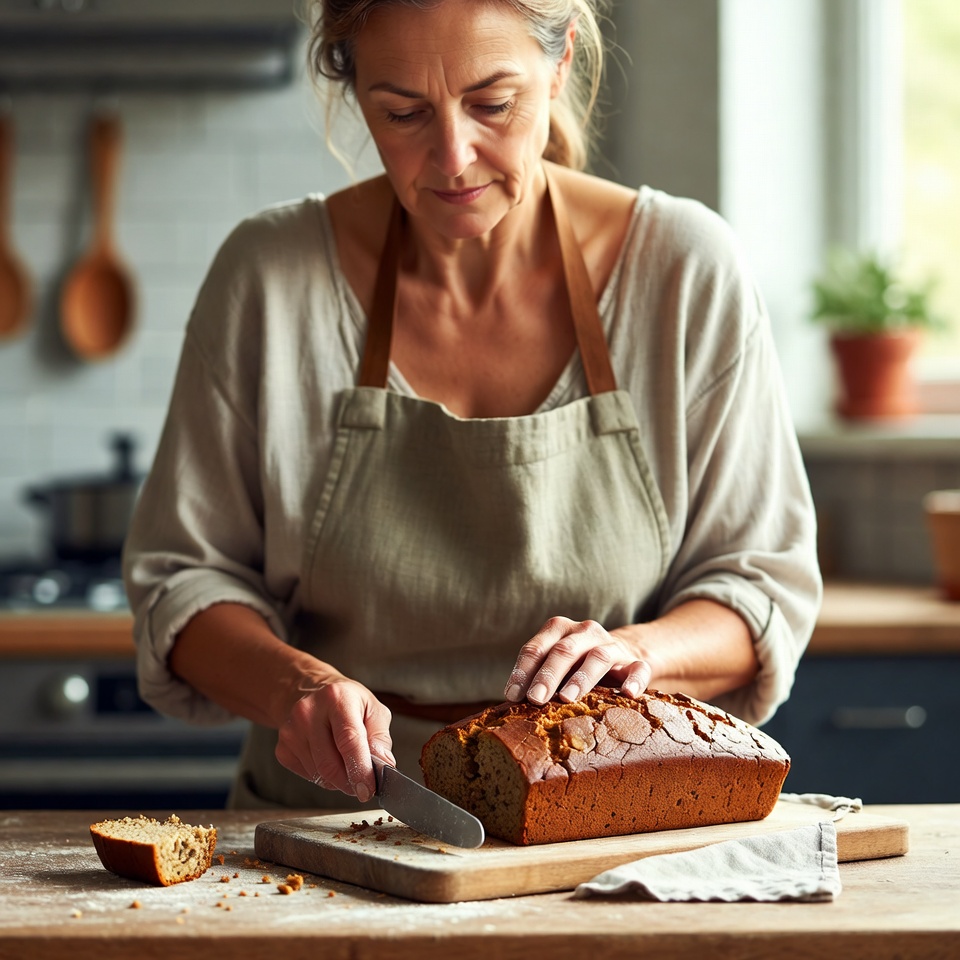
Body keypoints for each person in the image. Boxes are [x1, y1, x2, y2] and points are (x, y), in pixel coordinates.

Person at [122, 0, 821, 810]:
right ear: (354, 96)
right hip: (329, 828)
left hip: (605, 823)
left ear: (559, 70)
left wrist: (638, 654)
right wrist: (296, 688)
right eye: (403, 112)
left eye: (493, 104)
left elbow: (759, 588)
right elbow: (182, 582)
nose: (452, 157)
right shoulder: (269, 280)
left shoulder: (684, 271)